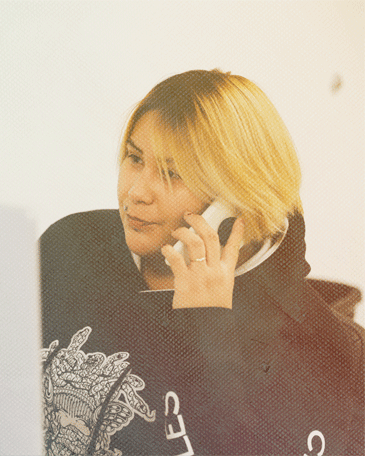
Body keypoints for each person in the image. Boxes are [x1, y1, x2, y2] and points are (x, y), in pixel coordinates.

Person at [40, 69, 364, 456]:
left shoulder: (323, 351)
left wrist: (208, 327)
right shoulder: (74, 245)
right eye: (135, 158)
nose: (137, 192)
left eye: (172, 174)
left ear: (235, 199)